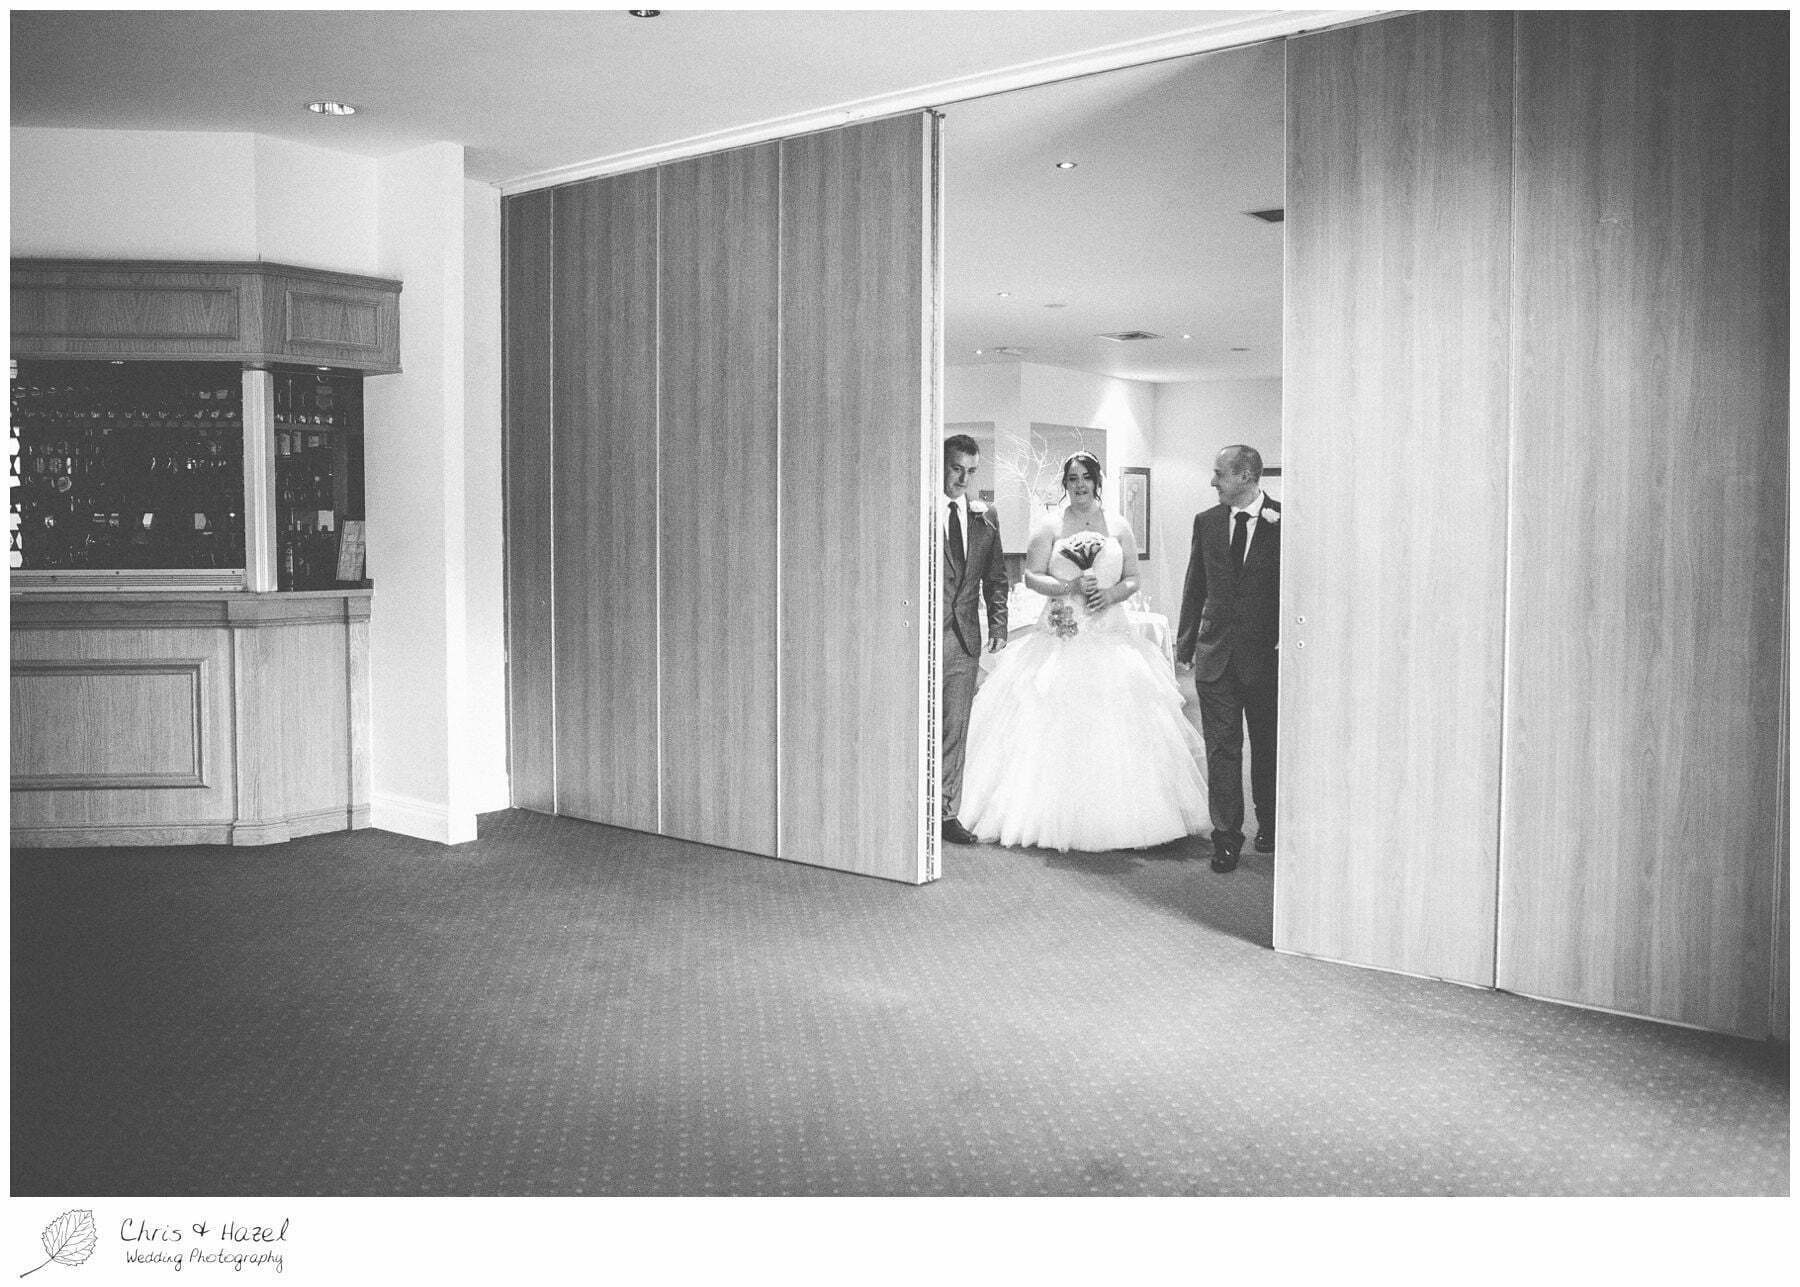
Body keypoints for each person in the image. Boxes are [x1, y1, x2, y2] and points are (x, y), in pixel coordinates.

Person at [957, 451, 1208, 852]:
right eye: (1072, 479)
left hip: (1108, 628)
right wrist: (1063, 588)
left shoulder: (1119, 525)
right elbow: (1031, 575)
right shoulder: (1050, 524)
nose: (1078, 485)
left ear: (1097, 481)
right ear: (1065, 484)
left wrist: (1109, 593)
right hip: (1061, 629)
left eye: (1085, 478)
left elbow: (1132, 578)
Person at [1176, 445, 1280, 873]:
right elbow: (1194, 586)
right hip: (1215, 656)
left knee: (1268, 748)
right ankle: (1226, 837)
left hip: (1267, 659)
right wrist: (1184, 647)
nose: (1212, 481)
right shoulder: (1207, 522)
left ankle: (1271, 823)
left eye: (1219, 473)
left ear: (1246, 476)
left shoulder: (1285, 521)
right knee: (1222, 749)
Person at [940, 433, 1009, 846]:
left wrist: (998, 625)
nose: (963, 479)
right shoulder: (920, 508)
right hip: (921, 637)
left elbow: (996, 577)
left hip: (964, 639)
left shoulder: (985, 516)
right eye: (956, 469)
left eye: (970, 471)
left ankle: (947, 814)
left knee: (955, 731)